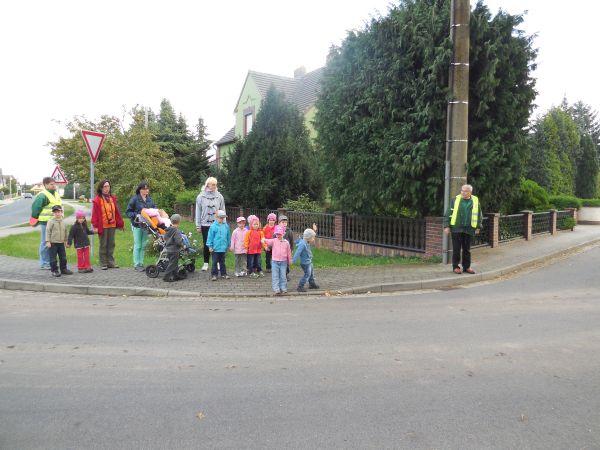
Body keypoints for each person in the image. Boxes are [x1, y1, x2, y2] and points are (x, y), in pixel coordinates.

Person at [443, 184, 483, 274]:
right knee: (456, 249)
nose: (463, 192)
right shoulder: (455, 200)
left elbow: (479, 215)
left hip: (469, 229)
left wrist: (478, 227)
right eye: (462, 190)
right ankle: (455, 267)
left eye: (465, 191)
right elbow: (448, 213)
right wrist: (446, 226)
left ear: (470, 192)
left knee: (467, 249)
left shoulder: (475, 201)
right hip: (456, 229)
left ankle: (467, 267)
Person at [91, 180, 125, 270]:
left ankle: (111, 262)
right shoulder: (97, 200)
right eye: (105, 187)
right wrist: (94, 226)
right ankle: (103, 263)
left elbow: (117, 212)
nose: (107, 188)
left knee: (111, 244)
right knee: (103, 244)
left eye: (108, 186)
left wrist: (120, 224)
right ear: (101, 188)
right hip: (103, 225)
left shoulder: (112, 198)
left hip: (112, 225)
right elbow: (94, 214)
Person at [195, 177, 226, 272]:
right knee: (206, 244)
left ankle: (217, 263)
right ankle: (205, 263)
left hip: (217, 224)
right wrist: (198, 225)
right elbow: (198, 211)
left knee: (217, 244)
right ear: (207, 184)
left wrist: (224, 223)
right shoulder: (200, 196)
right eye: (211, 184)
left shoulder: (219, 196)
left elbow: (223, 210)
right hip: (205, 224)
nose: (213, 186)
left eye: (215, 184)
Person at [30, 177, 62, 269]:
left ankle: (50, 262)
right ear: (45, 185)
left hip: (55, 222)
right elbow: (36, 208)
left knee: (53, 243)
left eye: (54, 184)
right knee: (45, 242)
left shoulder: (56, 194)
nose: (54, 186)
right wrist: (35, 219)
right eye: (51, 184)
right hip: (46, 222)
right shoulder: (42, 195)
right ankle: (44, 263)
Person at [126, 181, 157, 272]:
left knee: (143, 245)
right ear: (140, 190)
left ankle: (141, 263)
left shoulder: (150, 199)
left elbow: (154, 209)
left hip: (146, 226)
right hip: (137, 225)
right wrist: (136, 215)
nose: (146, 190)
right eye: (144, 188)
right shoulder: (134, 199)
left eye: (147, 188)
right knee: (138, 245)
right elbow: (128, 212)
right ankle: (137, 264)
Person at [263, 225, 293, 295]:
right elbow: (267, 241)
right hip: (275, 262)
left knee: (283, 276)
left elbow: (289, 252)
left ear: (283, 233)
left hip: (283, 262)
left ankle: (283, 288)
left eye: (279, 234)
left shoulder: (286, 243)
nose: (278, 235)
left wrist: (290, 260)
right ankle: (276, 288)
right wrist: (263, 239)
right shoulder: (274, 241)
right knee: (275, 276)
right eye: (277, 234)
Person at [45, 205, 73, 277]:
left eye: (59, 212)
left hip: (61, 243)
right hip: (53, 243)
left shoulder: (63, 221)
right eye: (55, 212)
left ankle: (63, 269)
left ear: (61, 212)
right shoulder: (51, 221)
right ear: (53, 213)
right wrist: (48, 241)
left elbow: (65, 231)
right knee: (53, 258)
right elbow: (48, 231)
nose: (57, 213)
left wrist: (66, 241)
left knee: (63, 257)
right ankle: (54, 270)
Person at [293, 225, 319, 292]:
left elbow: (309, 234)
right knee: (307, 274)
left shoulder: (306, 240)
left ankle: (312, 284)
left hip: (309, 261)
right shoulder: (302, 244)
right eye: (313, 238)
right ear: (309, 238)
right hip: (305, 263)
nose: (313, 239)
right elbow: (297, 253)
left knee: (311, 273)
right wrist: (293, 261)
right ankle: (300, 286)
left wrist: (314, 230)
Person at [206, 210, 231, 281]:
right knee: (214, 262)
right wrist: (210, 246)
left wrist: (229, 245)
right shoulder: (213, 226)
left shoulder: (226, 226)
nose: (222, 219)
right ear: (216, 217)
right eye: (220, 218)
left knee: (222, 262)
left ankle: (224, 274)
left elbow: (228, 236)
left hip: (223, 248)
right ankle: (214, 274)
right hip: (215, 248)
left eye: (223, 218)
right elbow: (210, 237)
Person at [163, 214, 185, 282]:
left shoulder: (167, 230)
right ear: (179, 221)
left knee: (174, 263)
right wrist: (182, 245)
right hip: (174, 250)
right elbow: (178, 241)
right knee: (172, 264)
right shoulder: (177, 231)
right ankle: (166, 276)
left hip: (168, 249)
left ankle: (176, 275)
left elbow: (165, 238)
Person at [279, 215, 294, 281]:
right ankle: (281, 274)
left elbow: (291, 241)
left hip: (287, 251)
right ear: (279, 223)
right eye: (283, 222)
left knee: (286, 264)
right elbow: (274, 238)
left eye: (286, 222)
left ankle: (286, 274)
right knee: (280, 263)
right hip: (279, 251)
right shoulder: (277, 230)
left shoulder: (289, 231)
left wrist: (291, 249)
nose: (284, 224)